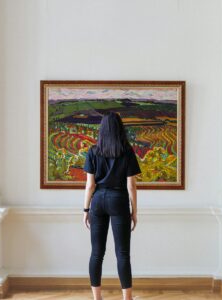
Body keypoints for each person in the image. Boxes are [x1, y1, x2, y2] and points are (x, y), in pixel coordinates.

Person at [83, 111, 142, 300]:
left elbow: (90, 185)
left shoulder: (93, 151)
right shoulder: (127, 151)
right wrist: (134, 211)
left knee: (96, 253)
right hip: (119, 200)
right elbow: (131, 185)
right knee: (123, 253)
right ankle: (127, 298)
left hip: (98, 200)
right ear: (120, 129)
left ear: (102, 130)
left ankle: (97, 298)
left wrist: (86, 209)